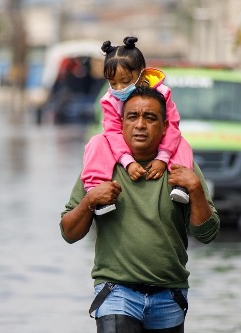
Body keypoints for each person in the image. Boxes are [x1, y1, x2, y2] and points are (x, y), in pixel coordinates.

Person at [60, 85, 220, 333]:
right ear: (120, 122)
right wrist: (89, 201)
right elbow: (69, 231)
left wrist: (196, 191)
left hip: (168, 296)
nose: (141, 125)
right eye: (132, 117)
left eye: (150, 118)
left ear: (165, 126)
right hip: (117, 291)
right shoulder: (100, 165)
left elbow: (207, 233)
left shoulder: (184, 170)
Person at [82, 37, 195, 214]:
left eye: (126, 81)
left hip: (159, 148)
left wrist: (162, 158)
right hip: (122, 150)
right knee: (97, 142)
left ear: (141, 74)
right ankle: (97, 190)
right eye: (113, 83)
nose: (119, 88)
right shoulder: (110, 101)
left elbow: (172, 126)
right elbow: (112, 132)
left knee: (182, 143)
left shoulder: (161, 95)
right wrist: (127, 161)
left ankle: (181, 187)